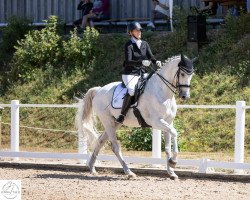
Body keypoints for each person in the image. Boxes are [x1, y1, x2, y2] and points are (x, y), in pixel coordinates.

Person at [116, 22, 161, 124]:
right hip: (129, 73)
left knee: (151, 86)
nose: (139, 32)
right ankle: (122, 114)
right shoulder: (129, 45)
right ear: (131, 33)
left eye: (140, 30)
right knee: (132, 90)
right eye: (136, 30)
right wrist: (141, 62)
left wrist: (155, 61)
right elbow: (128, 61)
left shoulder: (145, 44)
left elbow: (151, 56)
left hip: (141, 73)